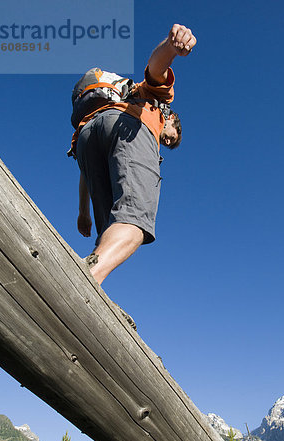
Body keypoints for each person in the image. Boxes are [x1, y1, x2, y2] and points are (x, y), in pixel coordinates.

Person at [74, 24, 197, 286]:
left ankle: (90, 273)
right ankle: (82, 282)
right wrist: (170, 48)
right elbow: (155, 68)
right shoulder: (156, 100)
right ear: (171, 117)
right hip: (130, 126)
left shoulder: (123, 97)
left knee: (110, 229)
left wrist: (83, 211)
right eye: (168, 137)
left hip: (87, 134)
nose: (163, 141)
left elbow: (85, 172)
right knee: (135, 220)